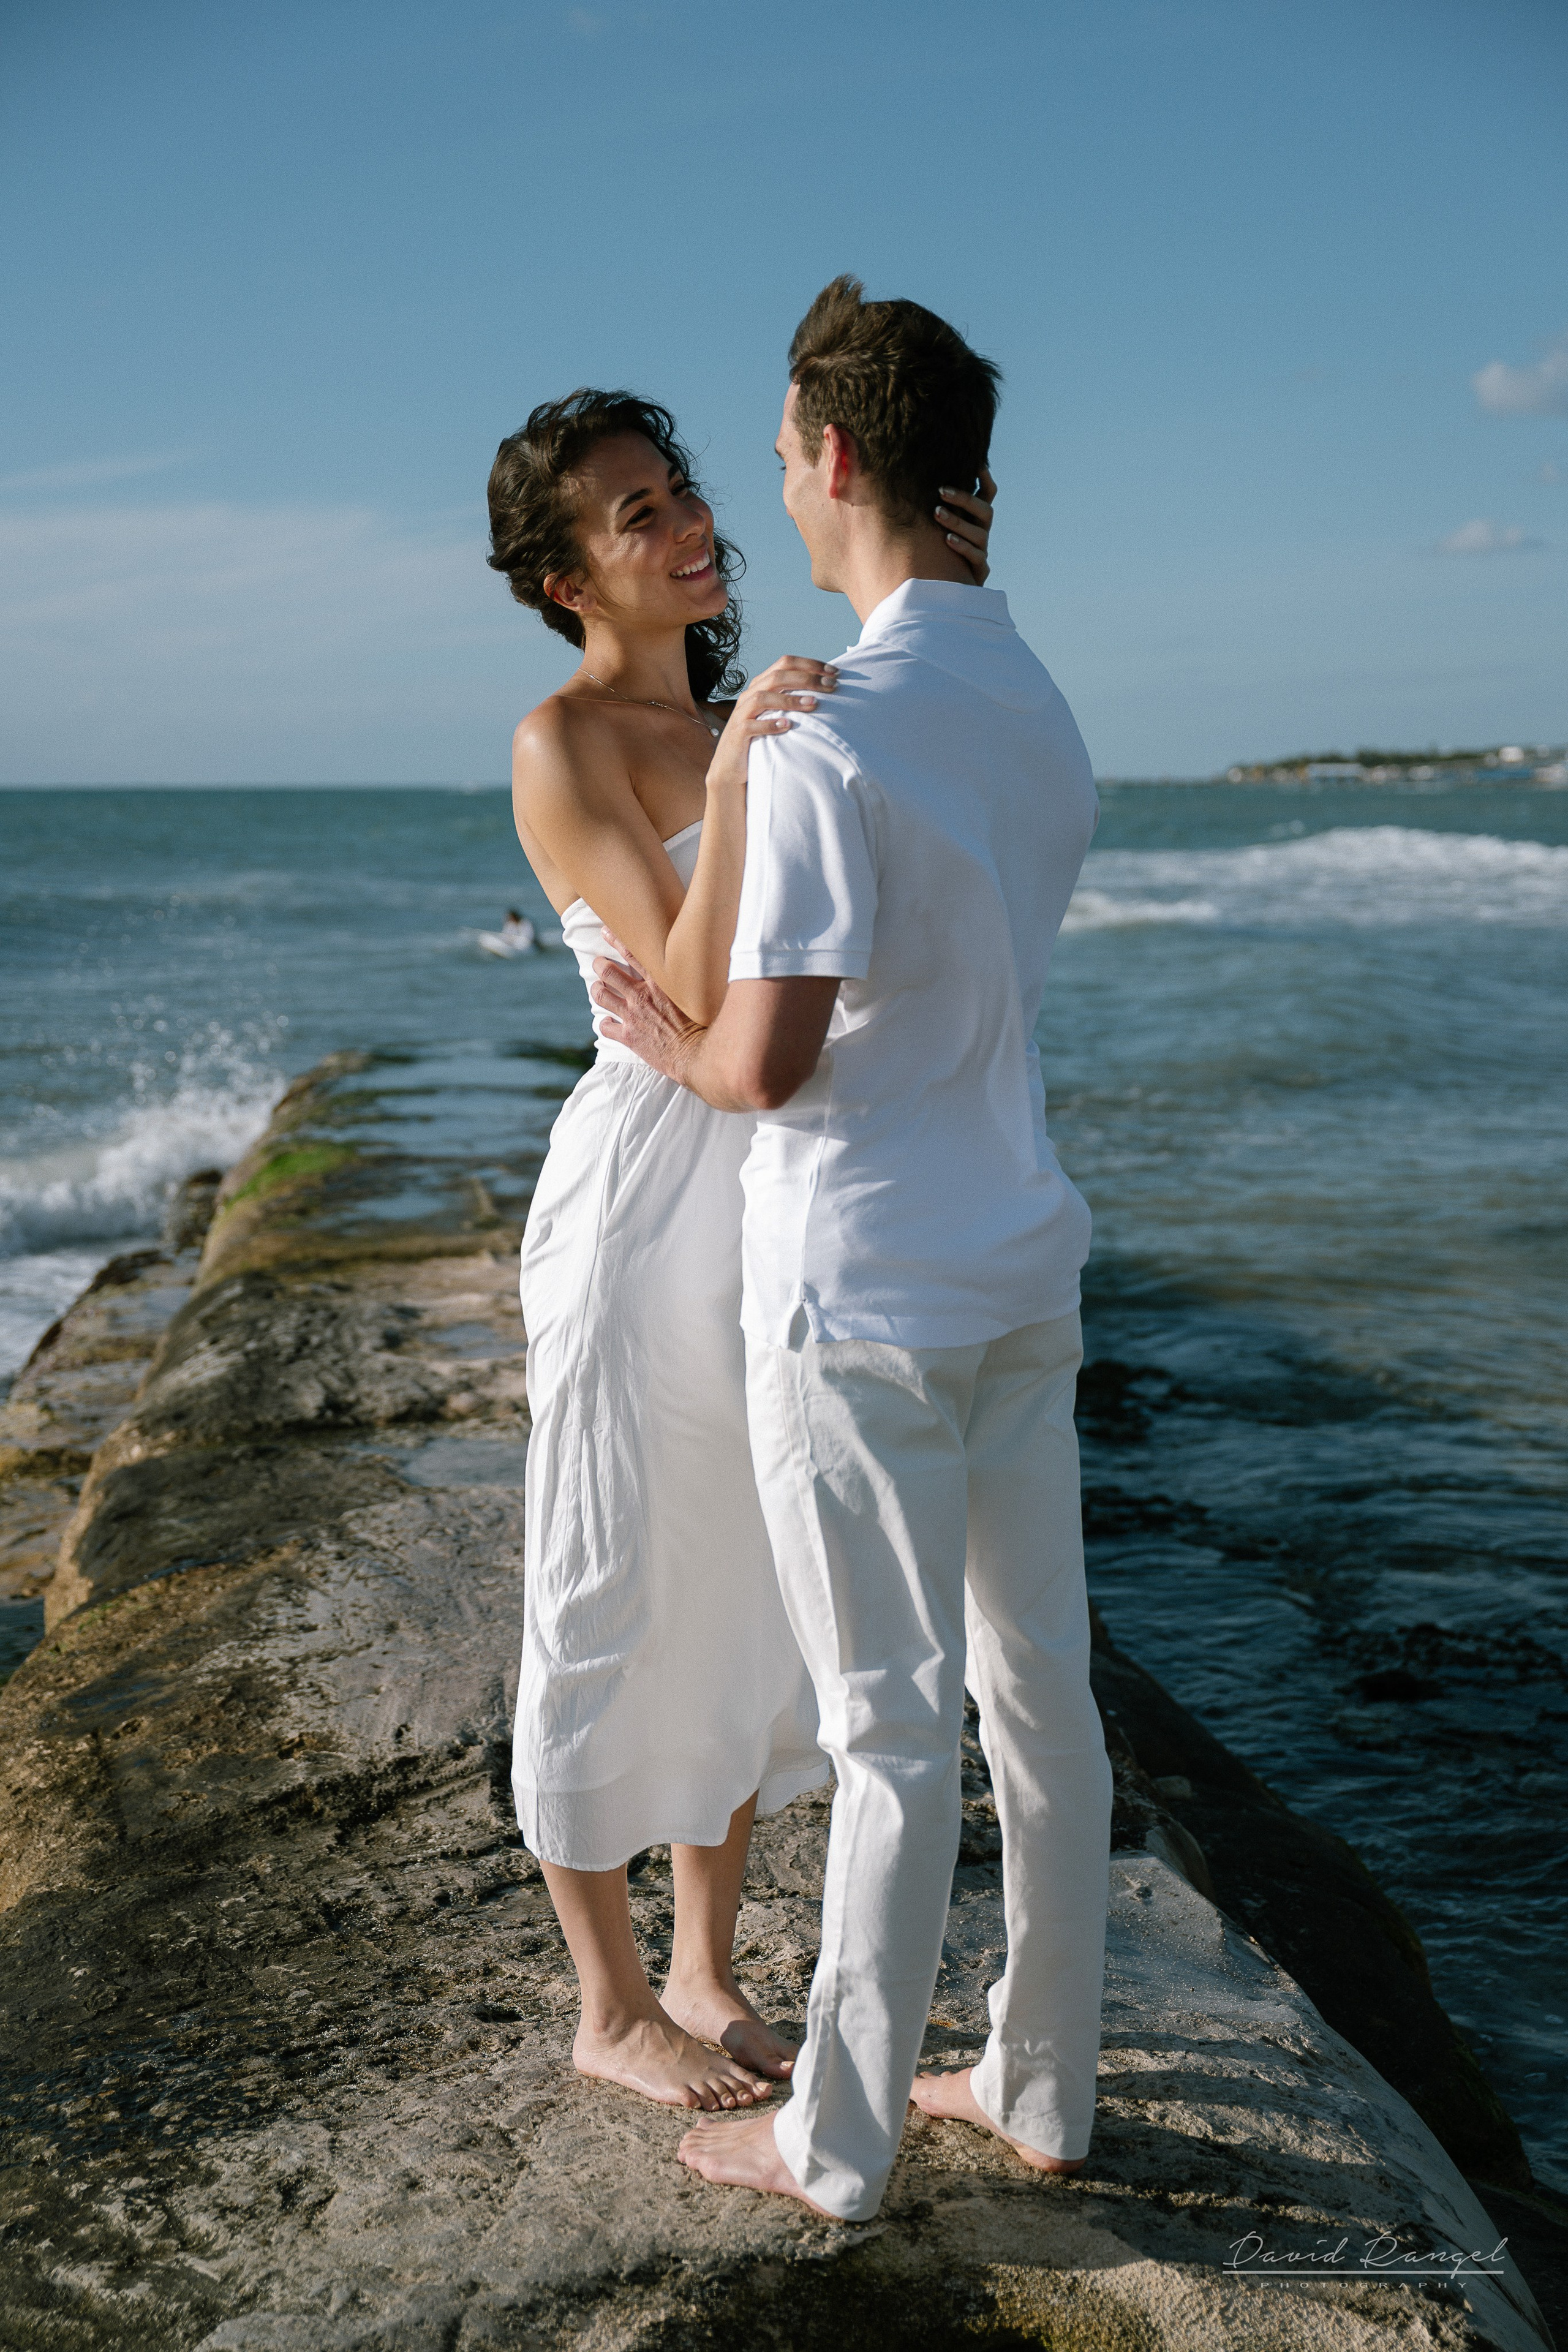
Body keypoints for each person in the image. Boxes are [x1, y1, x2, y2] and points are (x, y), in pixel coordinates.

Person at [593, 278, 1112, 2220]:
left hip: (861, 1296)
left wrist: (679, 1046)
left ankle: (838, 2141)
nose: (778, 499)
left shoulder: (822, 732)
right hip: (1017, 1269)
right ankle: (1043, 2089)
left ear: (830, 453)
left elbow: (773, 1057)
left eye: (786, 452)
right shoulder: (1028, 698)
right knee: (1037, 1699)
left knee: (893, 1730)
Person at [485, 390, 995, 2114]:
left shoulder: (754, 710)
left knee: (759, 1578)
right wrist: (729, 769)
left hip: (775, 1180)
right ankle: (607, 1998)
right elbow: (693, 997)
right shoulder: (561, 744)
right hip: (642, 1198)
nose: (690, 523)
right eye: (636, 515)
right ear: (566, 579)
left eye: (682, 489)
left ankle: (705, 1970)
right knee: (613, 1563)